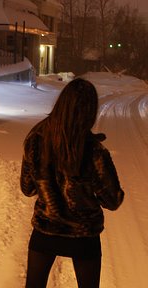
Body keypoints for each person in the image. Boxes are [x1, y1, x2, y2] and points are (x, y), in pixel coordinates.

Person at [20, 78, 124, 288]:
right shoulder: (94, 150)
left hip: (46, 231)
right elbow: (112, 200)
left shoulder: (36, 138)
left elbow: (27, 187)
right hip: (84, 236)